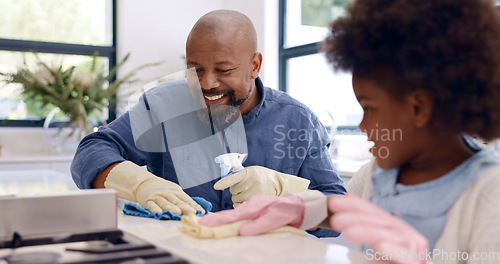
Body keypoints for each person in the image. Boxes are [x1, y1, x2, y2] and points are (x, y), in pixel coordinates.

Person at [196, 0, 500, 262]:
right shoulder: (377, 173)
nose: (362, 126)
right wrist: (299, 206)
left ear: (419, 108)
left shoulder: (490, 194)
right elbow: (338, 210)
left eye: (368, 108)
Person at [70, 9, 345, 236]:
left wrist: (287, 193)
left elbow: (339, 209)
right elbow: (91, 150)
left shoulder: (298, 121)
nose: (207, 84)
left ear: (254, 65)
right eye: (196, 70)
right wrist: (139, 184)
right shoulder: (162, 107)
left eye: (223, 70)